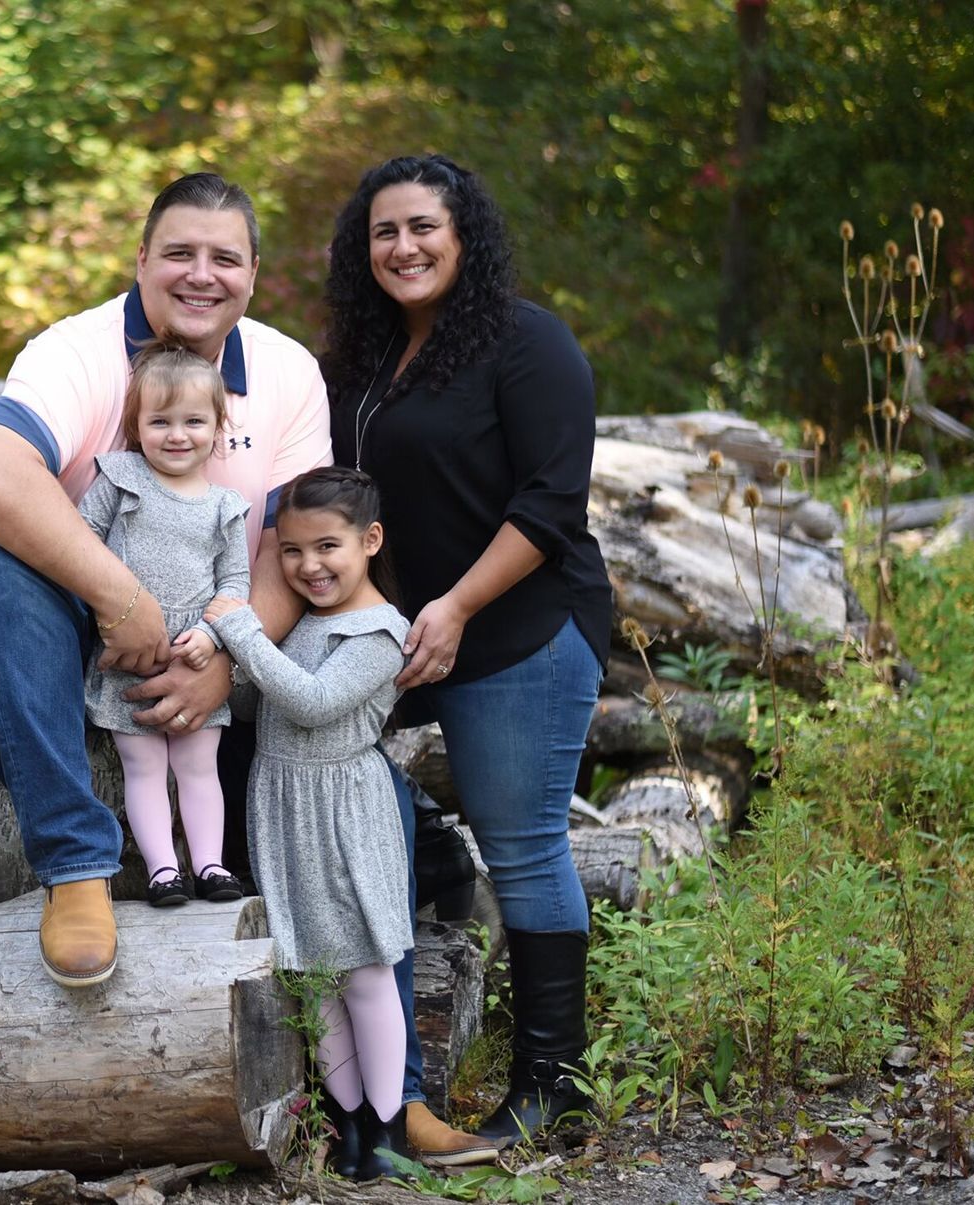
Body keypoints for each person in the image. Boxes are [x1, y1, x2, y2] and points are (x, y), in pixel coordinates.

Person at [0, 171, 489, 1163]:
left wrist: (223, 672)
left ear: (250, 275)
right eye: (180, 253)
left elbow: (297, 544)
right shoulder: (75, 352)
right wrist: (121, 598)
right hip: (87, 623)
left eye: (226, 258)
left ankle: (389, 1101)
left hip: (231, 648)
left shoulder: (284, 373)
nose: (202, 274)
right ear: (143, 261)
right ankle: (78, 863)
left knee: (350, 822)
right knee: (1, 569)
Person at [322, 154, 615, 1147]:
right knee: (352, 791)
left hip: (520, 629)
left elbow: (550, 503)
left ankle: (552, 1087)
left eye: (422, 228)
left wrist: (451, 607)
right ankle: (431, 883)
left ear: (464, 237)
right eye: (384, 232)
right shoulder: (364, 360)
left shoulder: (527, 344)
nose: (403, 247)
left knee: (526, 845)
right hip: (409, 632)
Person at [204, 467, 412, 1180]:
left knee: (363, 967)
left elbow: (316, 701)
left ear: (369, 539)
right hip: (285, 800)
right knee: (313, 973)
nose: (309, 565)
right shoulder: (302, 621)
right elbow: (265, 701)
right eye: (291, 551)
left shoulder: (382, 630)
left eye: (327, 546)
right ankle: (348, 1120)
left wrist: (237, 626)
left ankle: (389, 1128)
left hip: (343, 812)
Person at [80, 342, 250, 906]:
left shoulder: (224, 506)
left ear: (217, 426)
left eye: (194, 421)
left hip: (194, 653)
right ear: (137, 425)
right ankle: (162, 870)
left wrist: (210, 635)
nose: (177, 435)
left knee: (200, 767)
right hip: (129, 653)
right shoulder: (121, 478)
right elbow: (83, 541)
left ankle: (211, 865)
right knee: (145, 765)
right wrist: (110, 612)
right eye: (160, 421)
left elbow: (235, 586)